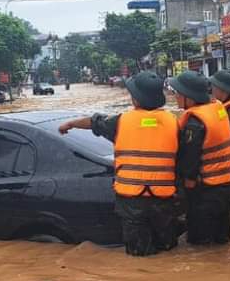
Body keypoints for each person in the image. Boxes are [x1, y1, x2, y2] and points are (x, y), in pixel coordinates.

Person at [58, 71, 180, 256]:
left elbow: (94, 122)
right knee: (168, 249)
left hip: (132, 202)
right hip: (163, 199)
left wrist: (70, 124)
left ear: (136, 99)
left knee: (139, 256)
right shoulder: (174, 122)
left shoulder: (121, 121)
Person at [168, 70, 230, 245]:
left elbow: (190, 158)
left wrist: (188, 182)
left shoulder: (194, 123)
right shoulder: (218, 109)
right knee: (222, 241)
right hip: (227, 186)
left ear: (188, 98)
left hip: (206, 191)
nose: (175, 97)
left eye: (177, 93)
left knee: (201, 245)